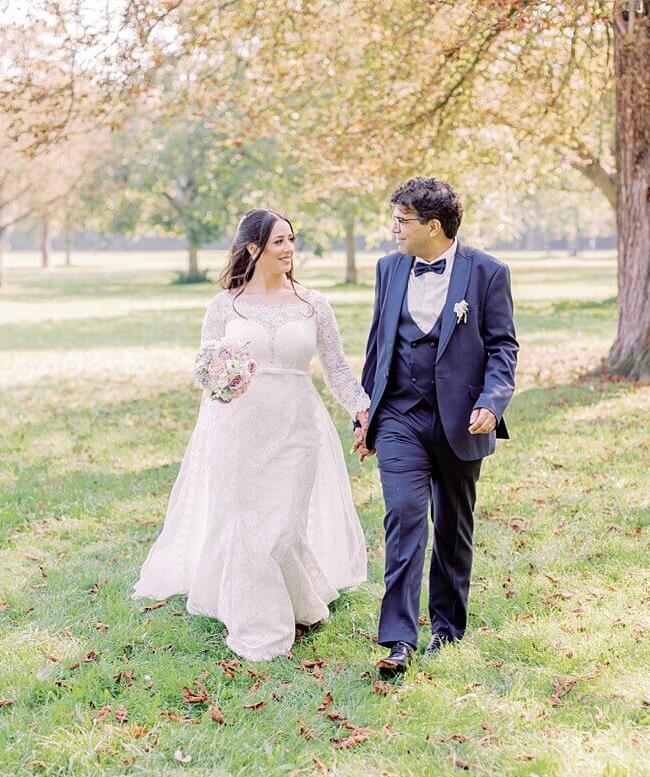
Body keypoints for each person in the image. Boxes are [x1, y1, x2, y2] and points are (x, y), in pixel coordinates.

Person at [134, 208, 370, 661]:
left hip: (297, 428)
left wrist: (361, 409)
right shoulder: (226, 306)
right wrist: (221, 381)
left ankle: (296, 600)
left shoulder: (313, 304)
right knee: (245, 526)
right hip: (238, 431)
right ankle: (259, 623)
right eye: (279, 241)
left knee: (284, 529)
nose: (289, 249)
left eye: (291, 239)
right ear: (253, 248)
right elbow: (207, 367)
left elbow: (336, 368)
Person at [353, 177, 518, 677]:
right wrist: (365, 414)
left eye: (402, 220)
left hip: (461, 420)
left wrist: (492, 402)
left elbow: (503, 347)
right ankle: (399, 640)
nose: (394, 228)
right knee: (404, 517)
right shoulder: (388, 269)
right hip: (399, 416)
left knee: (452, 527)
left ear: (434, 226)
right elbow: (379, 344)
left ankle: (447, 629)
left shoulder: (487, 272)